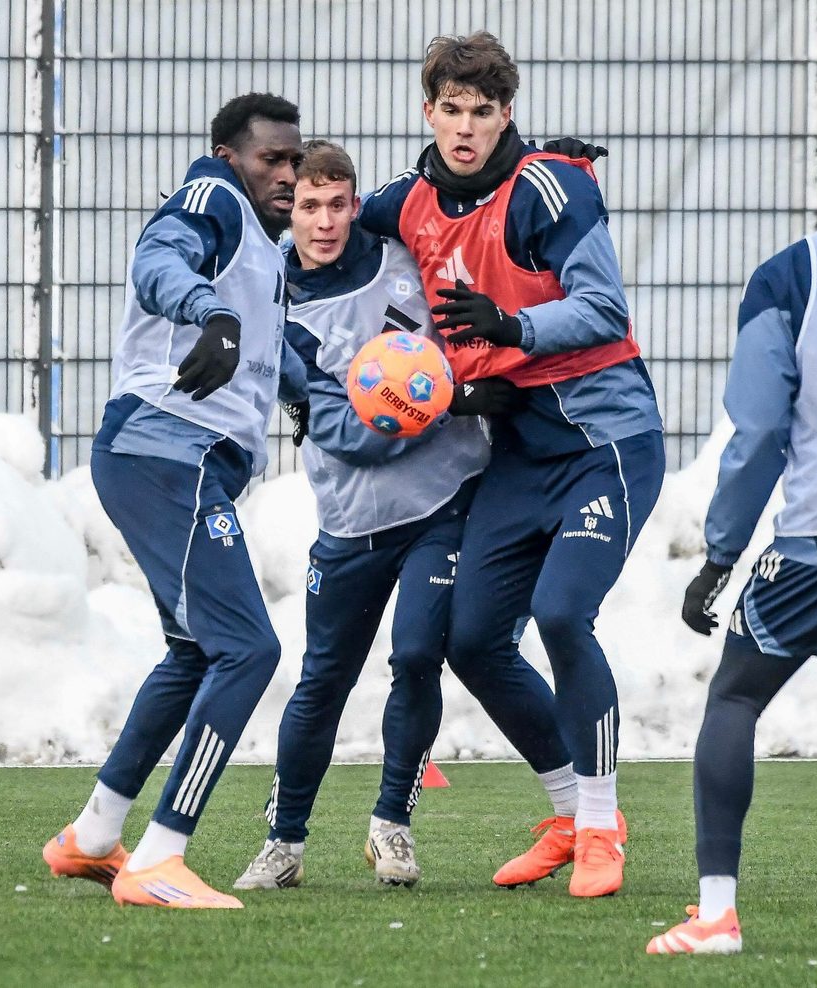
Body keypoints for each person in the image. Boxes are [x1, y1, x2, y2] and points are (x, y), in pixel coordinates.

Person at [360, 32, 665, 897]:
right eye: (451, 110)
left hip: (606, 439)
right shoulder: (408, 199)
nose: (465, 129)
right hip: (521, 452)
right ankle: (568, 810)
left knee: (564, 614)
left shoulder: (549, 186)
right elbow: (330, 220)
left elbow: (604, 308)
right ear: (428, 112)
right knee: (472, 641)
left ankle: (605, 825)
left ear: (506, 116)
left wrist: (512, 328)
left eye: (483, 113)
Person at [647, 102, 817, 955]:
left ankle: (717, 915)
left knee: (733, 697)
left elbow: (759, 433)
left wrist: (720, 556)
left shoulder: (789, 274)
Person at [42, 92, 308, 909]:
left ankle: (91, 837)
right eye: (273, 160)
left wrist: (328, 399)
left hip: (181, 462)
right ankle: (161, 857)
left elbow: (280, 364)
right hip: (165, 451)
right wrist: (210, 312)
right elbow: (161, 260)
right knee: (249, 650)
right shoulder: (210, 197)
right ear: (230, 154)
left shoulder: (267, 251)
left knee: (197, 651)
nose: (290, 177)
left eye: (296, 161)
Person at [232, 140, 504, 891]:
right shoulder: (276, 309)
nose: (324, 221)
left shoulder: (402, 259)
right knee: (323, 679)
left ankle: (393, 826)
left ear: (357, 204)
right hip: (351, 522)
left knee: (418, 656)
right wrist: (435, 400)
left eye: (337, 204)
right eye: (308, 207)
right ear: (290, 212)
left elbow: (466, 211)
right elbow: (346, 433)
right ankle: (284, 841)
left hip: (444, 505)